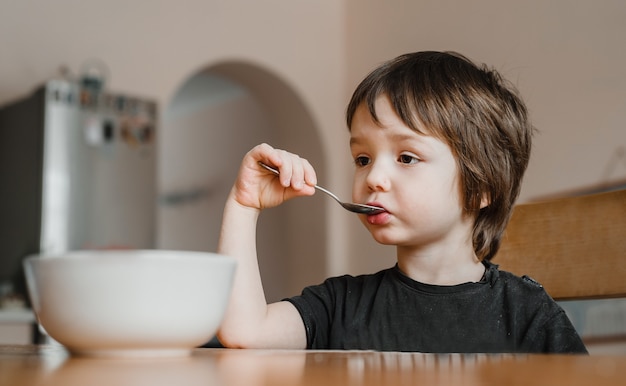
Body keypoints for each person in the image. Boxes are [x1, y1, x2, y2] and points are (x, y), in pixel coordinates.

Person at [216, 51, 587, 353]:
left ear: (480, 186)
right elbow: (244, 334)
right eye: (362, 159)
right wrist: (244, 205)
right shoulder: (341, 304)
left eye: (406, 157)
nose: (373, 178)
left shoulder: (527, 314)